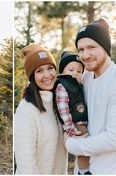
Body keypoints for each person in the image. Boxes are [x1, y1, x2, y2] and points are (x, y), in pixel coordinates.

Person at [65, 19, 116, 174]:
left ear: (105, 48)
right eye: (80, 49)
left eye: (91, 47)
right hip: (80, 171)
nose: (85, 55)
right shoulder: (85, 78)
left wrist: (71, 145)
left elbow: (114, 139)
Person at [14, 44, 68, 174]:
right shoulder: (26, 110)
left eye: (50, 68)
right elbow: (26, 164)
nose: (47, 75)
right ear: (32, 77)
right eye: (39, 71)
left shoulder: (59, 103)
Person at [53, 51, 91, 175]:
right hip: (74, 125)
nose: (75, 73)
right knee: (85, 147)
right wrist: (71, 129)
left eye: (79, 71)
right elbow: (63, 109)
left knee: (86, 148)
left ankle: (82, 170)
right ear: (62, 71)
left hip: (81, 122)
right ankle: (84, 171)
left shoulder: (78, 85)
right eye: (71, 69)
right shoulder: (62, 86)